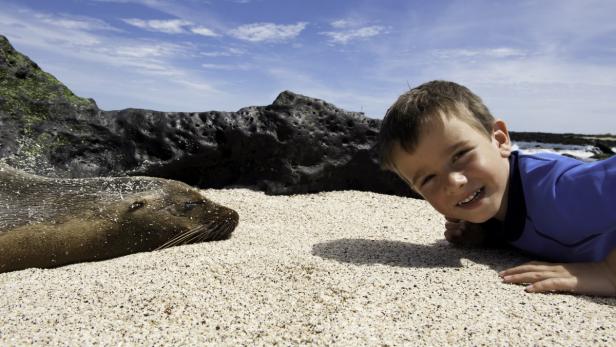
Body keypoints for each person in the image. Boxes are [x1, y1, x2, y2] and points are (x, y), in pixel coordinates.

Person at [377, 80, 616, 296]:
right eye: (428, 179)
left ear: (500, 140)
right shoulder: (497, 205)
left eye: (460, 154)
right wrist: (487, 232)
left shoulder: (560, 189)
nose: (454, 182)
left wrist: (610, 273)